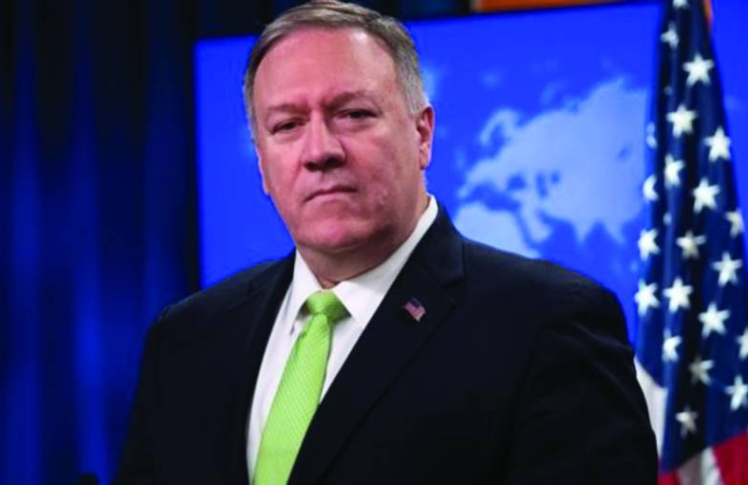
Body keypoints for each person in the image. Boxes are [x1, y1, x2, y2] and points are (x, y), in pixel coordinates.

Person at [115, 1, 657, 483]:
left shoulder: (548, 324)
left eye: (353, 114)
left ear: (422, 133)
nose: (319, 151)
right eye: (287, 126)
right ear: (262, 162)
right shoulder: (187, 339)